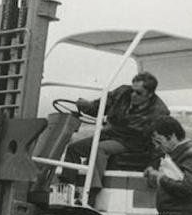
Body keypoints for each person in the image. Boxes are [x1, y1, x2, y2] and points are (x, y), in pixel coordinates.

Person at [64, 72, 169, 204]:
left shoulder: (159, 112)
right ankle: (67, 189)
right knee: (73, 149)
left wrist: (153, 167)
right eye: (132, 90)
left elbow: (159, 142)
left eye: (138, 93)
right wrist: (86, 106)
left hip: (132, 142)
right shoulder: (122, 93)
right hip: (110, 133)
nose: (133, 95)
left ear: (150, 94)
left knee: (100, 149)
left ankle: (91, 194)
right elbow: (99, 107)